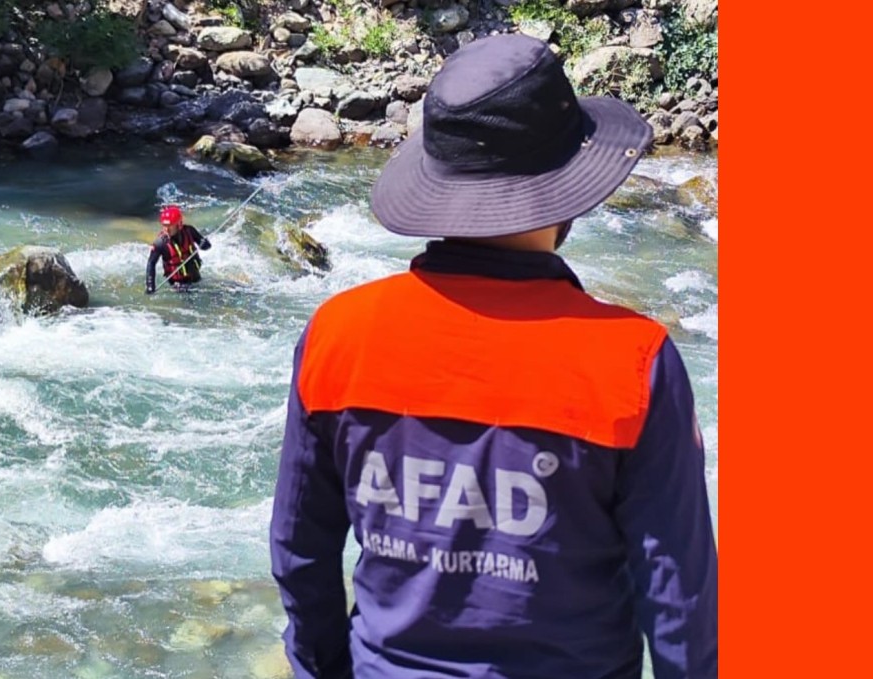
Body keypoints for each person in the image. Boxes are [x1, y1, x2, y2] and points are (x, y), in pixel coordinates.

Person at [269, 34, 718, 679]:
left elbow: (299, 550)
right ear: (570, 191)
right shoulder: (634, 360)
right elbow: (678, 596)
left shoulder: (338, 334)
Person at [145, 205, 212, 294]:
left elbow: (206, 247)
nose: (166, 229)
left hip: (195, 276)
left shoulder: (189, 231)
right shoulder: (160, 243)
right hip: (178, 283)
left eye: (170, 226)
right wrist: (150, 286)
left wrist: (204, 243)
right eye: (164, 226)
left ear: (179, 225)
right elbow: (151, 263)